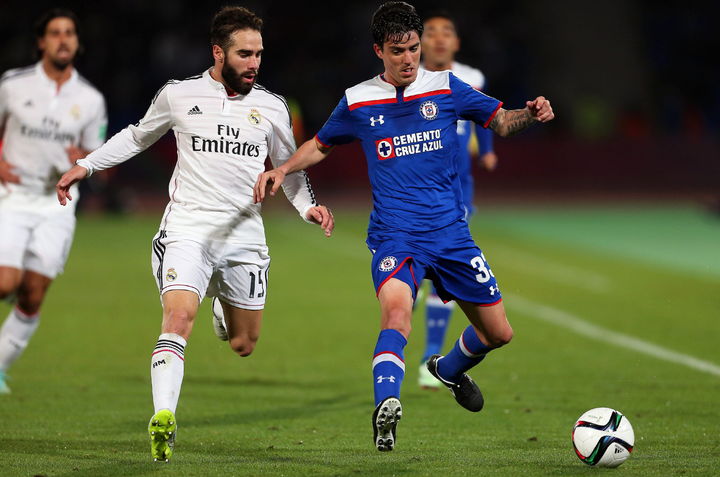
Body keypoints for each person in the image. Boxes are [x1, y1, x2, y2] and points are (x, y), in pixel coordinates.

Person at [254, 1, 554, 452]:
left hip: (452, 235)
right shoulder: (358, 99)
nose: (409, 59)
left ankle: (447, 370)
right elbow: (320, 145)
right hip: (396, 236)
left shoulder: (446, 87)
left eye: (413, 48)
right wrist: (282, 169)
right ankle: (386, 407)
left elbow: (502, 123)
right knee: (397, 315)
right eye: (398, 51)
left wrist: (531, 112)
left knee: (499, 334)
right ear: (379, 50)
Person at [56, 6, 334, 462]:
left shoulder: (272, 106)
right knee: (178, 318)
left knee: (244, 344)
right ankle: (164, 416)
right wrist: (85, 166)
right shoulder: (179, 94)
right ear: (218, 52)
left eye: (259, 54)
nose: (254, 63)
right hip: (188, 227)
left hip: (244, 235)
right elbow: (137, 136)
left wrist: (307, 208)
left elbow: (289, 170)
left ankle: (222, 305)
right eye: (244, 54)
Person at [0, 9, 107, 395]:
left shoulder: (91, 99)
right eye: (55, 32)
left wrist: (86, 159)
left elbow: (99, 160)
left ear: (77, 43)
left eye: (70, 33)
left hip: (57, 204)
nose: (64, 39)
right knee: (5, 282)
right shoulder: (13, 84)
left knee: (32, 294)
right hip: (13, 196)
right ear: (41, 42)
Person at [416, 11, 500, 390]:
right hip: (416, 190)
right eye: (431, 33)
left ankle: (430, 356)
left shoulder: (472, 77)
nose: (438, 38)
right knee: (419, 271)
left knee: (443, 275)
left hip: (456, 189)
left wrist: (487, 150)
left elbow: (485, 114)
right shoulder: (408, 79)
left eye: (446, 32)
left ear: (456, 42)